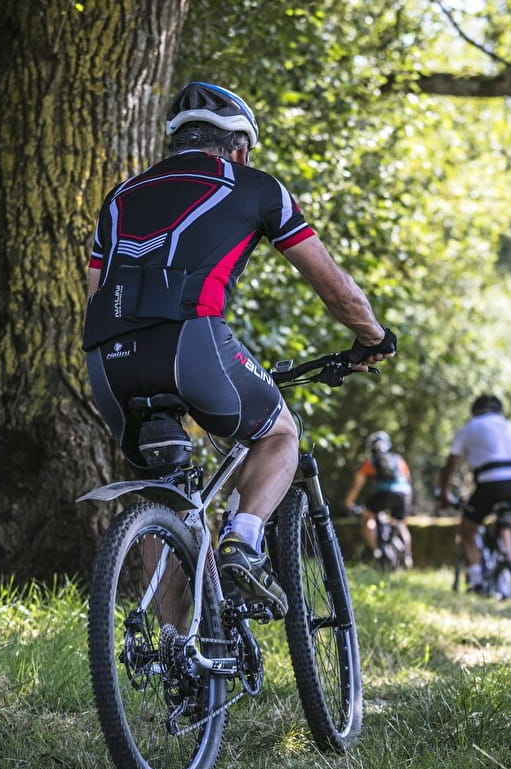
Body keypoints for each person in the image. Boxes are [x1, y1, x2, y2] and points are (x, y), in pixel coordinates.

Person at [82, 81, 395, 619]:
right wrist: (372, 337)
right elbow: (335, 288)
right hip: (191, 343)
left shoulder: (120, 197)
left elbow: (94, 295)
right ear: (240, 147)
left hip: (107, 361)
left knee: (161, 488)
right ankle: (242, 543)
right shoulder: (255, 186)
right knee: (278, 433)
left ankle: (179, 653)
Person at [436, 394, 511, 593]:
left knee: (467, 530)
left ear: (475, 411)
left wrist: (444, 493)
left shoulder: (469, 428)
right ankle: (508, 555)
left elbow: (450, 466)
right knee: (504, 521)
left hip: (493, 482)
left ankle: (476, 581)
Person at [343, 431, 414, 568]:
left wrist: (348, 503)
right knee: (401, 524)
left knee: (367, 518)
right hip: (404, 494)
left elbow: (356, 485)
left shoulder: (370, 461)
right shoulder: (398, 459)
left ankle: (377, 551)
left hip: (382, 494)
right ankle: (408, 557)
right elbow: (408, 480)